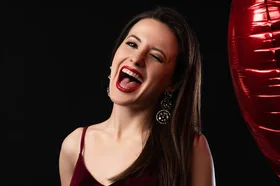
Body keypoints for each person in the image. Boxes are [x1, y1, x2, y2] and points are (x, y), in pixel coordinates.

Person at [59, 7, 215, 186]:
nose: (137, 58)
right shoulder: (74, 146)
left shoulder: (191, 149)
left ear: (173, 82)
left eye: (156, 56)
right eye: (132, 44)